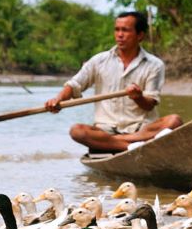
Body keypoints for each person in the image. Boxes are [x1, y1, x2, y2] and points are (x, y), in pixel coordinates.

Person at [46, 11, 182, 152]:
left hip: (141, 130)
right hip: (106, 130)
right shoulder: (99, 61)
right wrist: (58, 100)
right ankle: (131, 146)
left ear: (140, 35)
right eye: (117, 30)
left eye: (125, 30)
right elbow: (74, 85)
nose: (119, 35)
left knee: (174, 121)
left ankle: (115, 143)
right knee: (77, 131)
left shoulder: (154, 64)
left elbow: (149, 105)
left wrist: (138, 97)